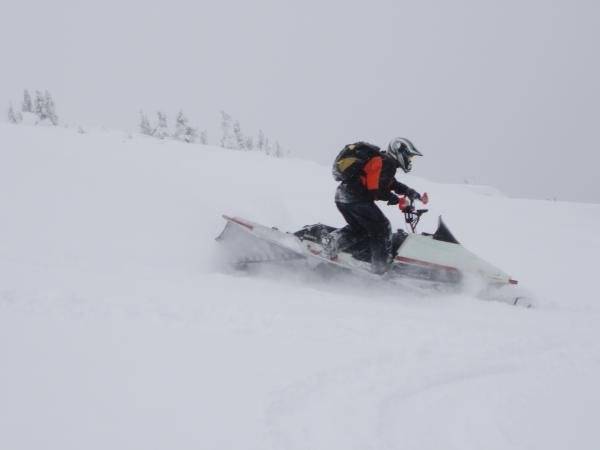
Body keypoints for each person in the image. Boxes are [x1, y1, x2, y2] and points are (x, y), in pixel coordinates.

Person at [324, 137, 425, 274]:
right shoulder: (386, 162)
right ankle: (380, 267)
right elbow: (376, 190)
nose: (409, 161)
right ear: (399, 152)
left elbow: (391, 184)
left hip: (343, 197)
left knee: (360, 229)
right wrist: (396, 200)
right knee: (382, 228)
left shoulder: (384, 163)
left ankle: (332, 243)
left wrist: (412, 193)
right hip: (355, 199)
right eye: (409, 157)